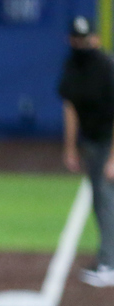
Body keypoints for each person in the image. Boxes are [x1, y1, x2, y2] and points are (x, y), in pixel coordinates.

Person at [59, 15, 114, 288]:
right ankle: (107, 258)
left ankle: (109, 263)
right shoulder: (72, 66)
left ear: (96, 38)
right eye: (77, 39)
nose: (82, 43)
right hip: (91, 141)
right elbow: (70, 109)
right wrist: (71, 148)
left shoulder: (107, 66)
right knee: (99, 200)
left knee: (106, 200)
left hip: (110, 140)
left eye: (86, 38)